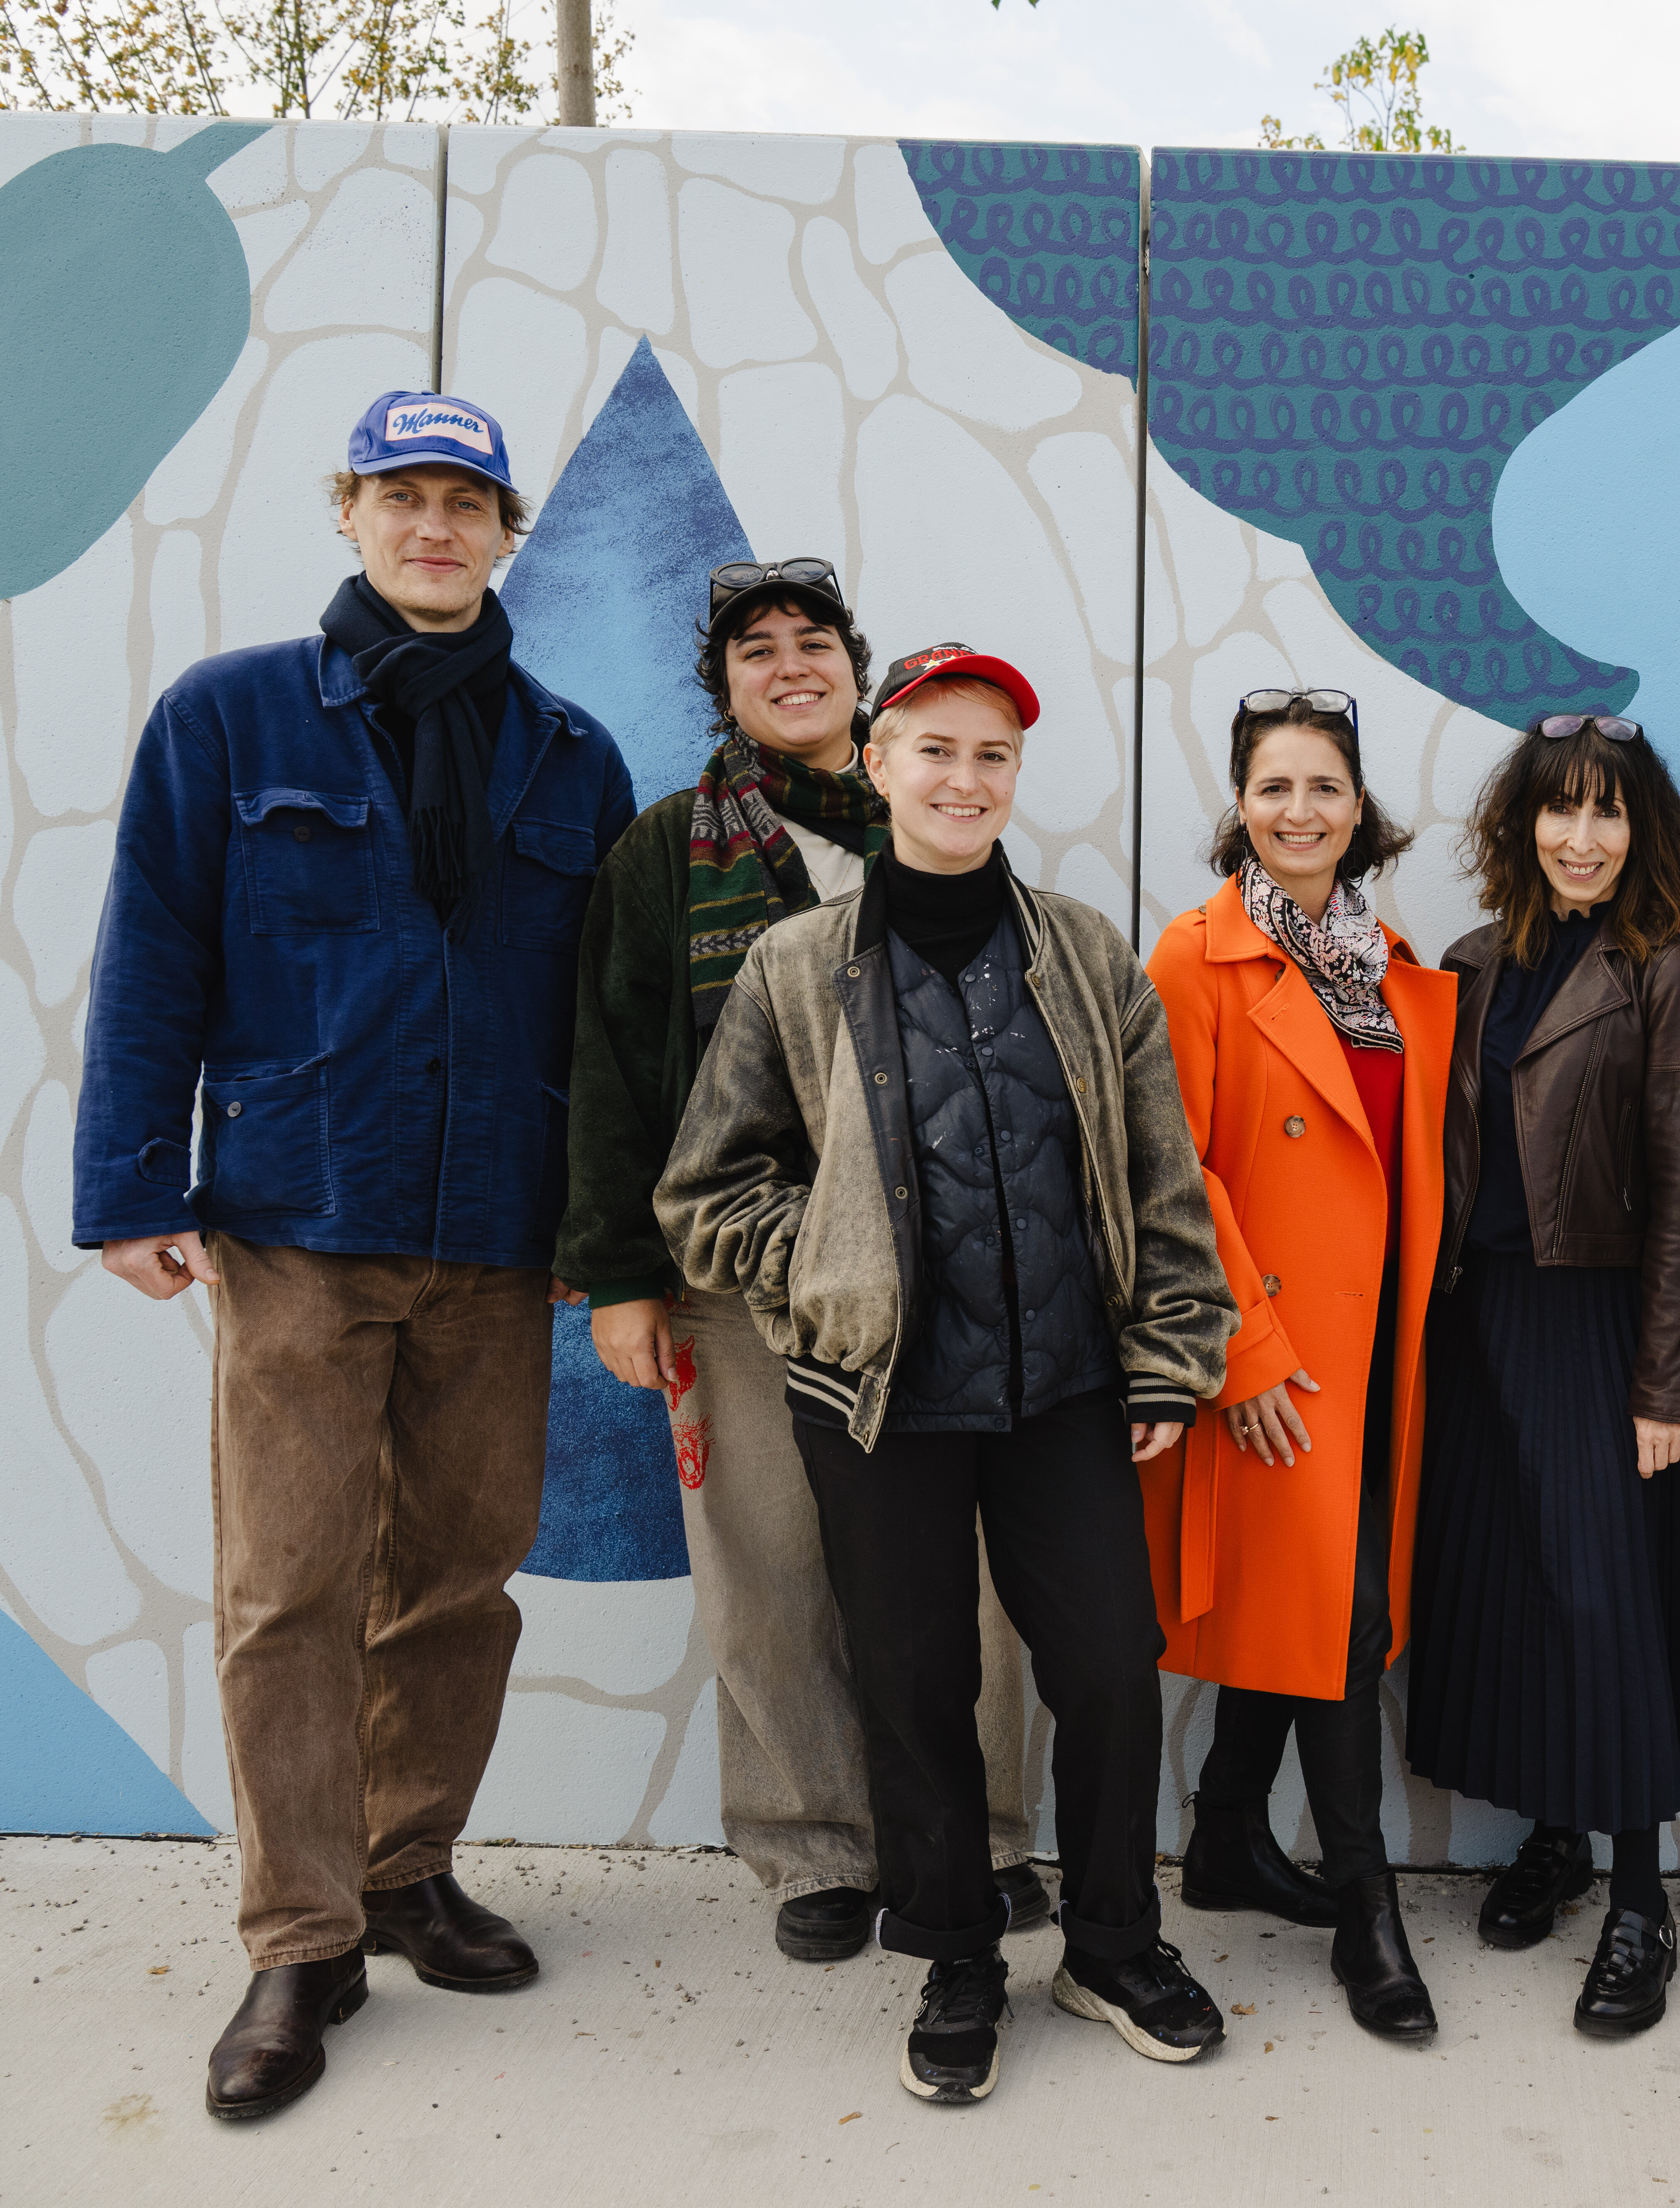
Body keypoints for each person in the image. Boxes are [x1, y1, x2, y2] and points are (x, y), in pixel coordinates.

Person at [72, 391, 636, 2120]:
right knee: (291, 1590)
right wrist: (131, 1183)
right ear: (352, 514)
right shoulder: (230, 719)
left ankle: (407, 1870)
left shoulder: (570, 753)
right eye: (404, 495)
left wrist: (598, 1230)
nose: (435, 526)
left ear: (504, 529)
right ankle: (301, 1937)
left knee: (461, 1578)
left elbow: (607, 1023)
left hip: (495, 1233)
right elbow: (153, 948)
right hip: (300, 1223)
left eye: (466, 500)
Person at [658, 644, 1234, 2104]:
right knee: (916, 1683)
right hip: (879, 1399)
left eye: (991, 755)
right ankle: (957, 1950)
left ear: (1014, 776)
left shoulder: (1090, 954)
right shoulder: (797, 964)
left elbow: (1164, 1177)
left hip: (1066, 1393)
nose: (963, 779)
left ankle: (1110, 1941)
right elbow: (707, 1187)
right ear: (880, 765)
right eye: (934, 751)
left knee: (1106, 1662)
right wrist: (825, 1265)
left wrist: (1172, 1350)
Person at [561, 561, 1047, 1963]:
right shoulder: (668, 853)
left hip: (941, 1270)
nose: (790, 666)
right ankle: (816, 1844)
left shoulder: (942, 826)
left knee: (968, 1572)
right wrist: (621, 1277)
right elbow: (606, 1066)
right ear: (723, 686)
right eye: (756, 650)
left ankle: (990, 1833)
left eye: (814, 643)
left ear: (858, 672)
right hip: (735, 1272)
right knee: (768, 1567)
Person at [1142, 688, 1456, 2042]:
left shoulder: (1389, 962)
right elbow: (1177, 1172)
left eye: (1324, 787)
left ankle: (1221, 1837)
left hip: (1384, 1345)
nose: (1300, 812)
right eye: (1274, 788)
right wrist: (1243, 1354)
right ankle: (1366, 1901)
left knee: (1316, 1598)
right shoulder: (1194, 957)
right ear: (1240, 804)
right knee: (1340, 1623)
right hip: (1275, 1353)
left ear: (1359, 806)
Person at [1405, 712, 1680, 2038]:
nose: (1581, 838)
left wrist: (1664, 1380)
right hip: (1478, 1327)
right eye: (1559, 811)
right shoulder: (1472, 963)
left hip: (1597, 1325)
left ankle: (1639, 1896)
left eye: (1608, 813)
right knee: (1514, 1592)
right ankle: (1556, 1839)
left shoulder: (1668, 972)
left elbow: (1677, 1197)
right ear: (1521, 823)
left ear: (1639, 830)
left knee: (1606, 1602)